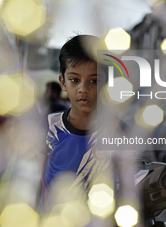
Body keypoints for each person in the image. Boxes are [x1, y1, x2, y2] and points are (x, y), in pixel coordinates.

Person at [37, 35, 129, 214]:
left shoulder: (117, 131)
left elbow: (129, 185)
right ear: (63, 82)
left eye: (94, 81)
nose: (83, 89)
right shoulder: (48, 127)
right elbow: (34, 180)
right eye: (74, 80)